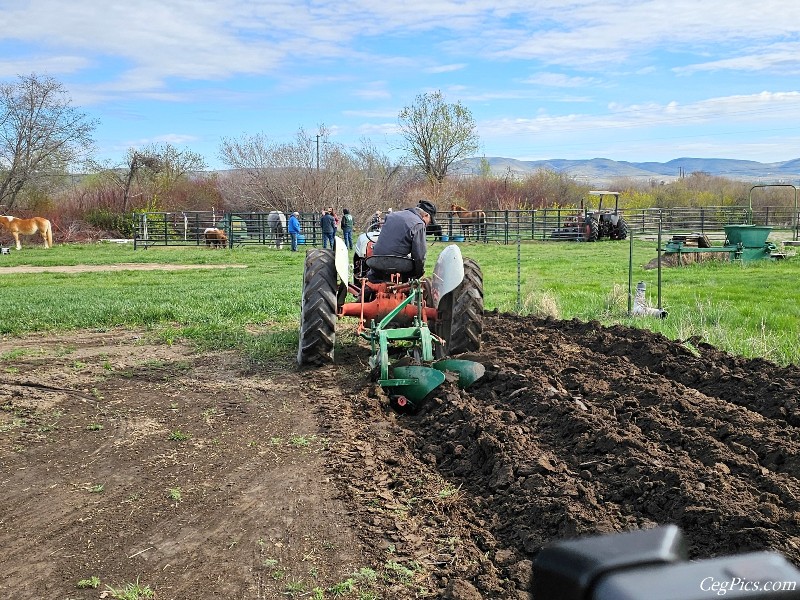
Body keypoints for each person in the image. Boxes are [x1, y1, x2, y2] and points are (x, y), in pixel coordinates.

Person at [367, 200, 437, 282]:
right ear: (426, 215)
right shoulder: (419, 224)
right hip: (397, 263)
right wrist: (418, 274)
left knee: (373, 277)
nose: (428, 224)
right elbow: (419, 255)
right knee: (412, 273)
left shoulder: (391, 216)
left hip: (376, 259)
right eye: (430, 221)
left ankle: (368, 288)